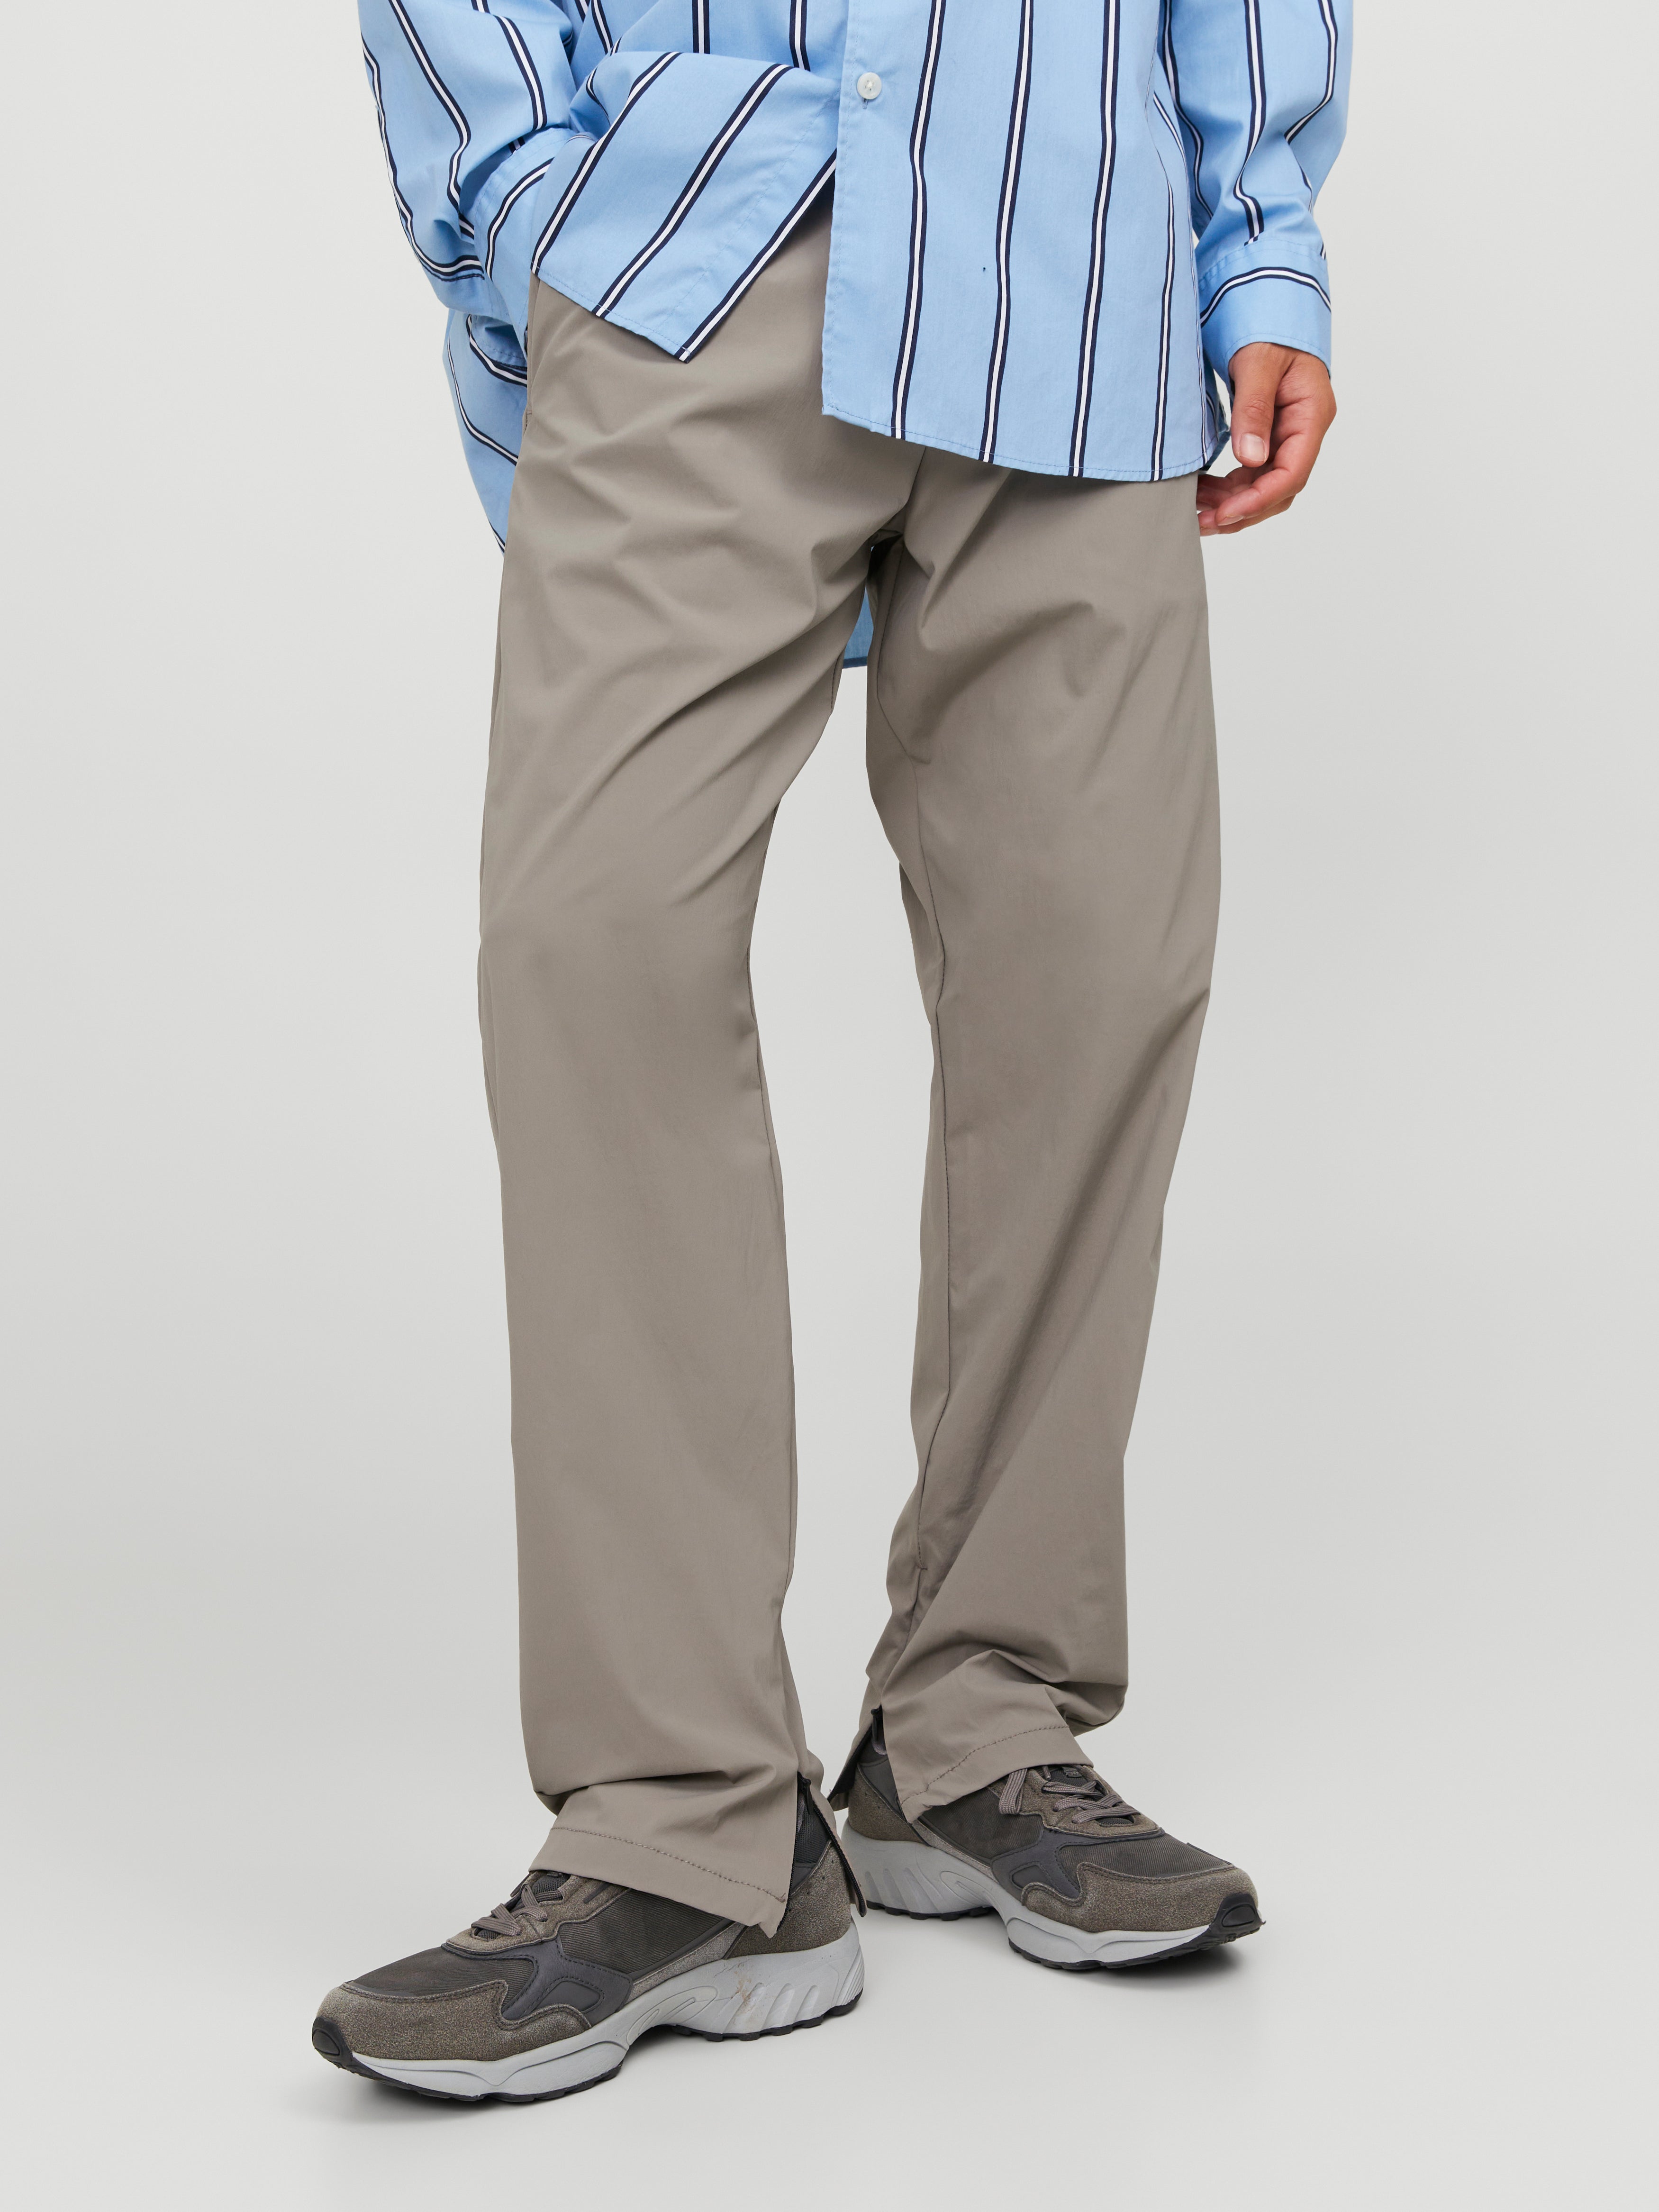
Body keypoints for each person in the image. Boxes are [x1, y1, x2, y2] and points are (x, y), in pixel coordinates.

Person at [313, 0, 1349, 2103]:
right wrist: (536, 208)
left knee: (1097, 979)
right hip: (696, 238)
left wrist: (1259, 251)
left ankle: (980, 1721)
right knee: (592, 949)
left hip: (1076, 256)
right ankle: (684, 1817)